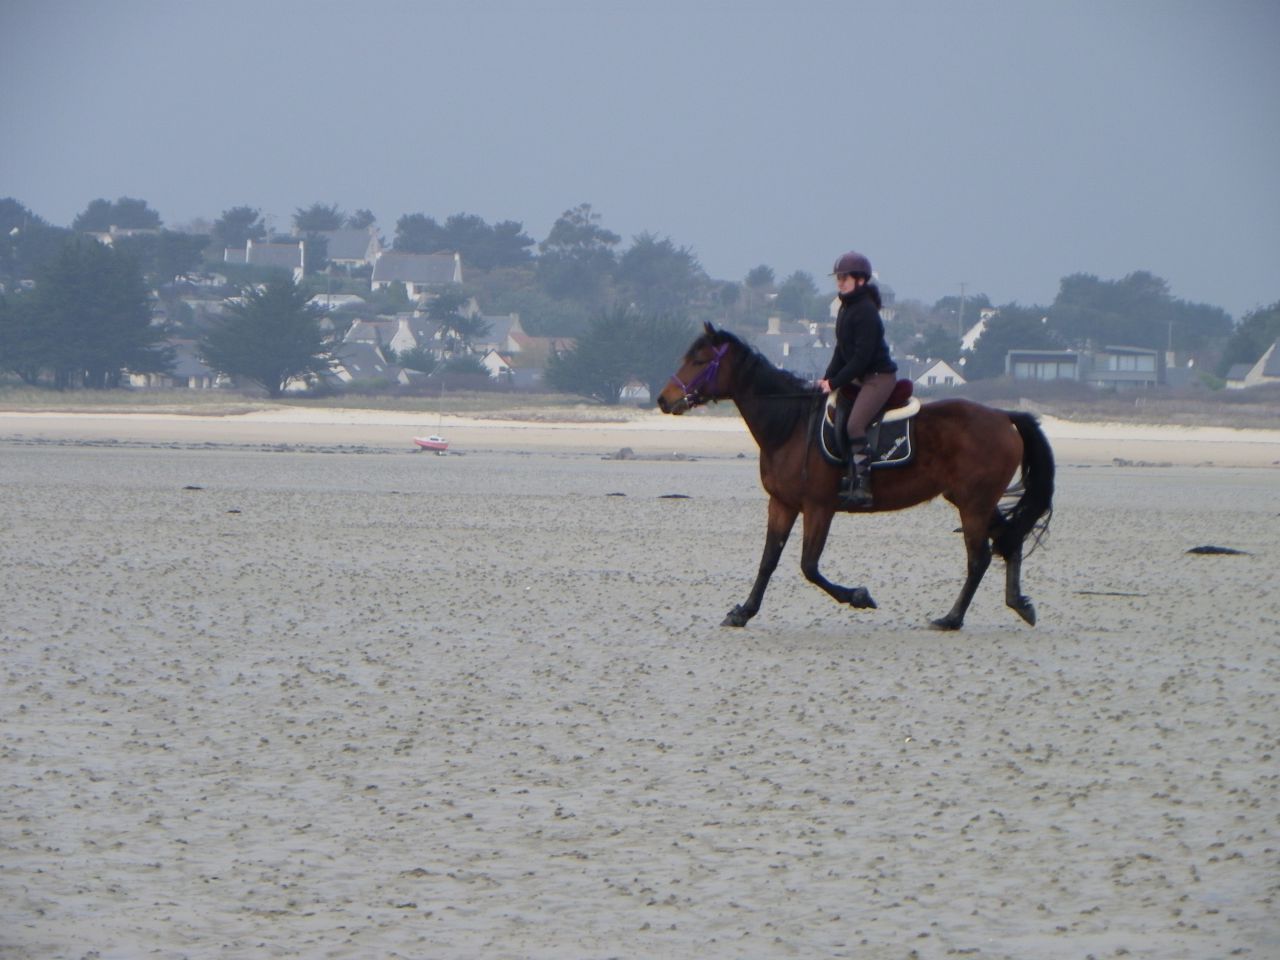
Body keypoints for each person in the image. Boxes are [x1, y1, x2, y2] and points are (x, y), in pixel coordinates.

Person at [817, 251, 898, 507]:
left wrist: (835, 383)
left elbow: (860, 359)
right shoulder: (846, 308)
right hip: (859, 377)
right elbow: (841, 352)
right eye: (838, 278)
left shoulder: (866, 312)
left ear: (860, 280)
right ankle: (846, 473)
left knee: (854, 425)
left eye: (845, 278)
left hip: (878, 377)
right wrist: (825, 380)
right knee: (836, 415)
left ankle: (864, 484)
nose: (840, 282)